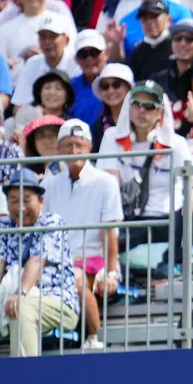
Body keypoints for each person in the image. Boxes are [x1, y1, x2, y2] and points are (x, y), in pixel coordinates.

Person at [0, 170, 82, 359]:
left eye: (26, 200)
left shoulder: (51, 222)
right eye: (14, 201)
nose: (20, 207)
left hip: (57, 300)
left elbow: (37, 260)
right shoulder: (5, 225)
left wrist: (21, 293)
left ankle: (25, 374)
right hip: (10, 297)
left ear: (41, 201)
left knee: (21, 308)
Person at [41, 119, 121, 348]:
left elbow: (109, 232)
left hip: (94, 260)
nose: (73, 150)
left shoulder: (106, 182)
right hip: (56, 261)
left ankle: (93, 338)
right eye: (68, 145)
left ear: (89, 148)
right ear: (59, 149)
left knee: (75, 278)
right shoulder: (48, 185)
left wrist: (112, 273)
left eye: (79, 145)